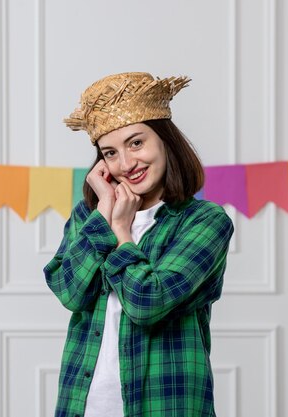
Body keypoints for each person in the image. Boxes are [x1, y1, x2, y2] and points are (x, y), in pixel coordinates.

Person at [44, 72, 234, 417]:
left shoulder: (204, 221)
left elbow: (148, 303)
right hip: (84, 404)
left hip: (166, 404)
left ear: (165, 141)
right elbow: (70, 293)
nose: (127, 164)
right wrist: (103, 216)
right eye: (110, 152)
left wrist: (120, 229)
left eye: (136, 143)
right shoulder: (89, 215)